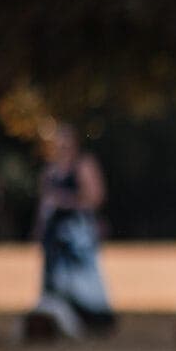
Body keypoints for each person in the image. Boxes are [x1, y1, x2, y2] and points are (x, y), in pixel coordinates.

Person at [31, 121, 115, 336]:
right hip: (54, 233)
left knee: (81, 278)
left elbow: (96, 198)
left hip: (77, 232)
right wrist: (40, 229)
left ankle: (91, 321)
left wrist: (66, 201)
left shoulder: (84, 165)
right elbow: (44, 203)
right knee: (56, 277)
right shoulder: (50, 169)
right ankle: (60, 323)